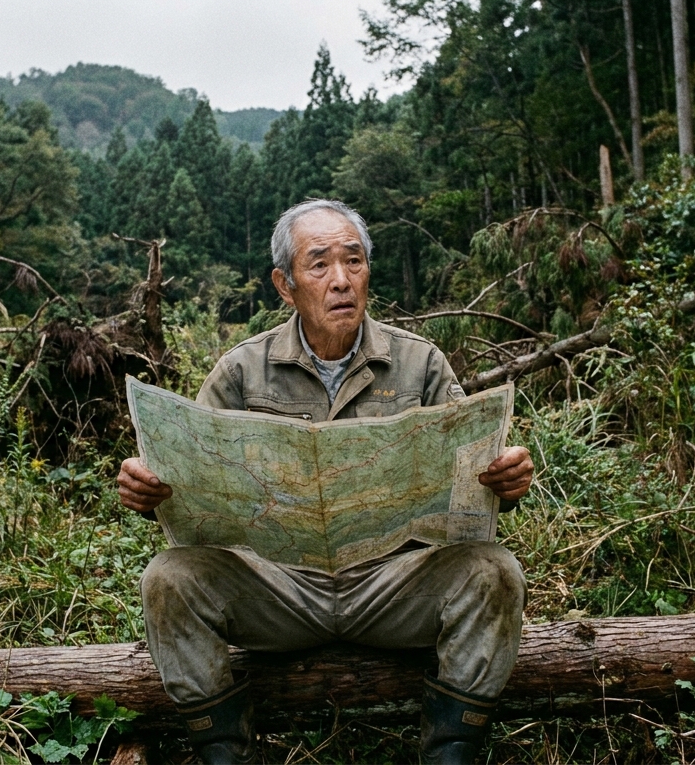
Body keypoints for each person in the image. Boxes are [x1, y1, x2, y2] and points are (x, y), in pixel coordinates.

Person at [118, 199, 534, 765]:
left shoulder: (420, 364)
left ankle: (449, 751)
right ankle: (226, 753)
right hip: (279, 593)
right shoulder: (242, 371)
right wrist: (148, 490)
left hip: (393, 586)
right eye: (319, 264)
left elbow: (475, 479)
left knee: (495, 571)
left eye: (353, 261)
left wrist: (506, 480)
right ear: (285, 286)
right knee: (169, 578)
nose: (341, 280)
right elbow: (186, 477)